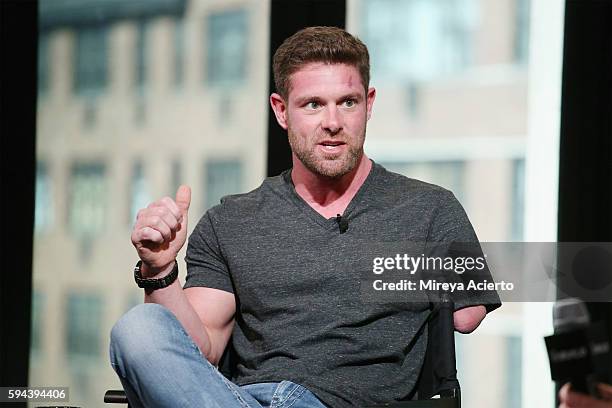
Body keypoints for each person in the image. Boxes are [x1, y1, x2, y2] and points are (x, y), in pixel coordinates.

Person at [110, 26, 500, 408]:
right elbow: (201, 350)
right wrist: (160, 269)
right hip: (246, 400)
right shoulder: (229, 222)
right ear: (281, 111)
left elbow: (468, 314)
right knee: (137, 329)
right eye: (313, 104)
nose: (332, 122)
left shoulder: (428, 209)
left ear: (370, 103)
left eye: (348, 102)